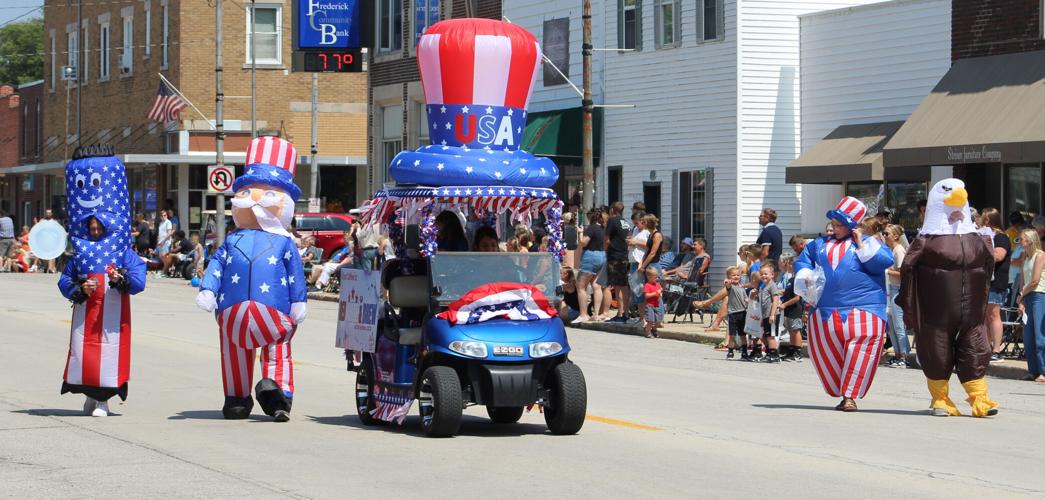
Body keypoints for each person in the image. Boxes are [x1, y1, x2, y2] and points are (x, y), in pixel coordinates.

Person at [196, 136, 308, 422]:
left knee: (277, 349)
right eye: (248, 191)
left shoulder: (284, 242)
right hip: (232, 312)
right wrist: (208, 290)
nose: (256, 198)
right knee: (233, 353)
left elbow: (295, 273)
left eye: (268, 192)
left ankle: (278, 396)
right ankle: (236, 398)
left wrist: (299, 301)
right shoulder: (231, 241)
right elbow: (216, 266)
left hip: (275, 312)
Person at [57, 146, 147, 417]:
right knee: (83, 352)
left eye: (99, 227)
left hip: (113, 315)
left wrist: (121, 279)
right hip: (86, 312)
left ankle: (103, 400)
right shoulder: (80, 255)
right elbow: (64, 281)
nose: (95, 231)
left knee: (109, 354)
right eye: (91, 227)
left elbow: (139, 281)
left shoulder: (124, 252)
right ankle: (89, 395)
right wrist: (78, 288)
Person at [898, 179, 1000, 417]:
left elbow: (988, 268)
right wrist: (909, 306)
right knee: (937, 352)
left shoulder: (978, 238)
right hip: (936, 311)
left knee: (976, 349)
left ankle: (980, 398)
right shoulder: (926, 240)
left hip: (971, 312)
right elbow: (907, 271)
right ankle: (940, 399)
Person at [795, 196, 894, 413]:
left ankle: (850, 396)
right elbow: (802, 261)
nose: (835, 228)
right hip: (825, 312)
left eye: (840, 225)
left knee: (860, 353)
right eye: (834, 223)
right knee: (827, 355)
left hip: (865, 310)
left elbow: (883, 262)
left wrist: (861, 244)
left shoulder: (868, 242)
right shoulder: (819, 245)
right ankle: (842, 391)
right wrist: (805, 275)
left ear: (853, 226)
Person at [978, 208, 1012, 363]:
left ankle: (997, 350)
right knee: (985, 316)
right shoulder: (984, 235)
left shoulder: (1000, 237)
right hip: (984, 280)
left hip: (996, 281)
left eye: (983, 217)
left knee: (993, 314)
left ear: (988, 220)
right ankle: (987, 348)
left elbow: (998, 256)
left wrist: (980, 249)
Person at [695, 267, 748, 358]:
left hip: (742, 312)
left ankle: (744, 352)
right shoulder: (730, 287)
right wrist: (727, 282)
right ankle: (730, 351)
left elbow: (745, 298)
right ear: (729, 277)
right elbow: (727, 284)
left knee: (742, 334)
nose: (736, 277)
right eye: (733, 275)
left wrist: (747, 300)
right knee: (732, 335)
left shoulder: (742, 287)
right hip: (733, 313)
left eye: (738, 275)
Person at [1017, 229, 1045, 383]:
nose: (1019, 242)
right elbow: (1023, 279)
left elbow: (1035, 281)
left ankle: (1043, 371)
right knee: (1028, 337)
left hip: (1039, 296)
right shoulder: (1025, 257)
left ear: (1029, 240)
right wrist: (1021, 299)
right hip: (1027, 296)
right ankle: (1032, 370)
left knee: (1040, 336)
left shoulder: (1040, 255)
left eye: (1021, 239)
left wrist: (1022, 294)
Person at [883, 224, 911, 368]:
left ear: (895, 236)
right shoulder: (892, 250)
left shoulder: (899, 250)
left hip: (898, 289)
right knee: (892, 325)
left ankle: (904, 356)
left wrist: (887, 271)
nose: (884, 236)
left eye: (887, 234)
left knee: (899, 324)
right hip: (890, 288)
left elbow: (903, 274)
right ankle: (898, 354)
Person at [604, 202, 633, 323]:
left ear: (612, 210)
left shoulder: (612, 220)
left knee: (618, 286)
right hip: (625, 256)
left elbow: (606, 239)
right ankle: (624, 312)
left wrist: (605, 251)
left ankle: (621, 313)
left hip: (615, 256)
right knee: (624, 286)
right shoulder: (625, 222)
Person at [576, 208, 606, 322]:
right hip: (602, 255)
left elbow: (583, 242)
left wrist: (580, 233)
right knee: (596, 285)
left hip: (590, 256)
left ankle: (583, 314)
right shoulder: (603, 228)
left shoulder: (592, 228)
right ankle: (596, 314)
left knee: (581, 286)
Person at [777, 255, 804, 362]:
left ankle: (798, 352)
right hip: (789, 308)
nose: (787, 266)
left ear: (793, 265)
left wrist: (784, 304)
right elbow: (790, 291)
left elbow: (797, 298)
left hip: (795, 308)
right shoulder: (791, 279)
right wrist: (784, 291)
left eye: (788, 264)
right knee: (791, 331)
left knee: (796, 330)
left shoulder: (797, 279)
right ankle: (791, 351)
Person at [755, 262, 782, 362]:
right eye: (761, 274)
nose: (763, 276)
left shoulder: (772, 285)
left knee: (771, 336)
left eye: (766, 274)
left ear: (772, 275)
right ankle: (769, 353)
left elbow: (775, 300)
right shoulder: (763, 286)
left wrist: (772, 315)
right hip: (765, 315)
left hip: (772, 314)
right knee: (765, 335)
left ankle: (774, 355)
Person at [643, 267, 664, 338]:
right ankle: (648, 332)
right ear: (649, 277)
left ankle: (654, 329)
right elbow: (646, 296)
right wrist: (656, 293)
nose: (657, 279)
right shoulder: (647, 285)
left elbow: (660, 291)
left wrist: (660, 293)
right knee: (650, 320)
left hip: (657, 305)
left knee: (658, 320)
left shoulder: (657, 284)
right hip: (650, 305)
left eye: (657, 277)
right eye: (655, 277)